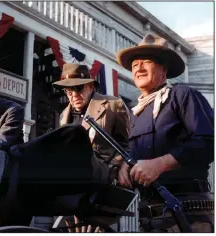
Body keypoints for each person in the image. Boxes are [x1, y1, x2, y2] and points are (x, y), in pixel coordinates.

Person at [116, 33, 214, 232]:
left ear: (163, 69)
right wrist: (126, 166)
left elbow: (208, 142)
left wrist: (160, 164)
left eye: (147, 62)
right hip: (149, 218)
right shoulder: (136, 112)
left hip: (187, 215)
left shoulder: (182, 95)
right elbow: (141, 158)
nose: (139, 68)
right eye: (135, 65)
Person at [53, 63, 130, 178]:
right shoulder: (64, 115)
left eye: (78, 88)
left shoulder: (113, 105)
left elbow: (132, 143)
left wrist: (123, 166)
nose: (74, 95)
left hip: (107, 178)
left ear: (90, 86)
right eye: (68, 91)